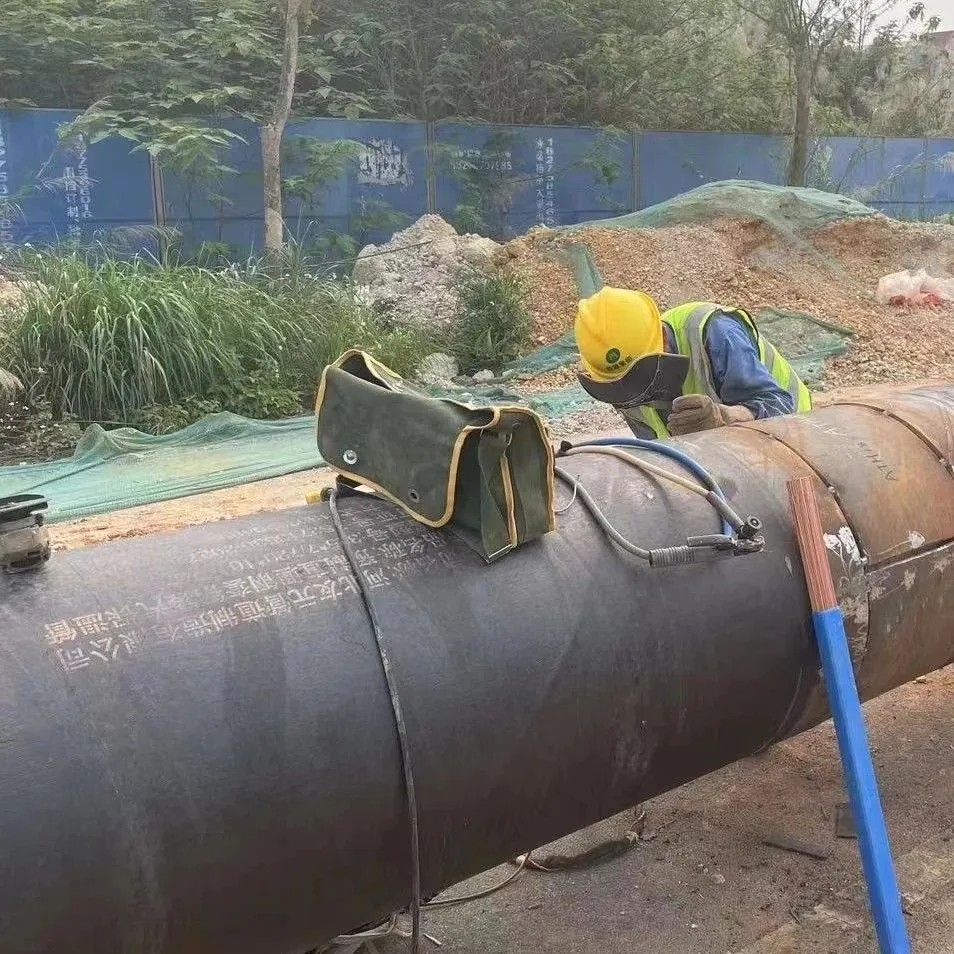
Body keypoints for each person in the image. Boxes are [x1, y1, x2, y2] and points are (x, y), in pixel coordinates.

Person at [574, 288, 811, 439]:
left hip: (794, 436)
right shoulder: (620, 387)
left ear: (662, 337)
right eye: (622, 383)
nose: (637, 393)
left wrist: (724, 417)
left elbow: (778, 407)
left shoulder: (715, 332)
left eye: (642, 375)